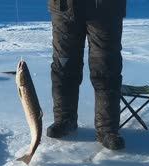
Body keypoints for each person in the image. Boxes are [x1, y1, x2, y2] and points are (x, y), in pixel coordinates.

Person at [46, 0, 127, 150]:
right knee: (64, 65)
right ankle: (64, 119)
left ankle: (107, 130)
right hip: (64, 7)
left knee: (106, 68)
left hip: (106, 8)